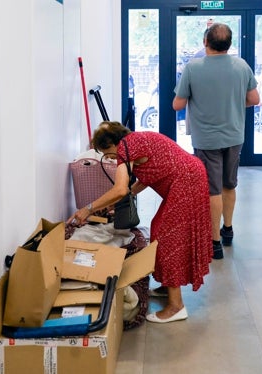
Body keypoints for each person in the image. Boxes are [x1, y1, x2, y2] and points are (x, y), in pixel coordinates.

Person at [67, 121, 212, 323]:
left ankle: (176, 306)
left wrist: (88, 208)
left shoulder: (125, 149)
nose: (109, 158)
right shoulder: (135, 141)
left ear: (112, 145)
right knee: (159, 228)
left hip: (187, 181)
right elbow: (147, 176)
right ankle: (169, 286)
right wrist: (121, 200)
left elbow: (119, 189)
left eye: (107, 153)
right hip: (190, 175)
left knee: (168, 235)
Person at [172, 23, 260, 260]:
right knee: (229, 184)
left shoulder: (193, 68)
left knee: (212, 189)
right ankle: (228, 230)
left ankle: (215, 243)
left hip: (207, 139)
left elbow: (177, 105)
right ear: (229, 45)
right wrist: (231, 103)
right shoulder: (242, 66)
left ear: (205, 42)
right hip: (234, 136)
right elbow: (254, 99)